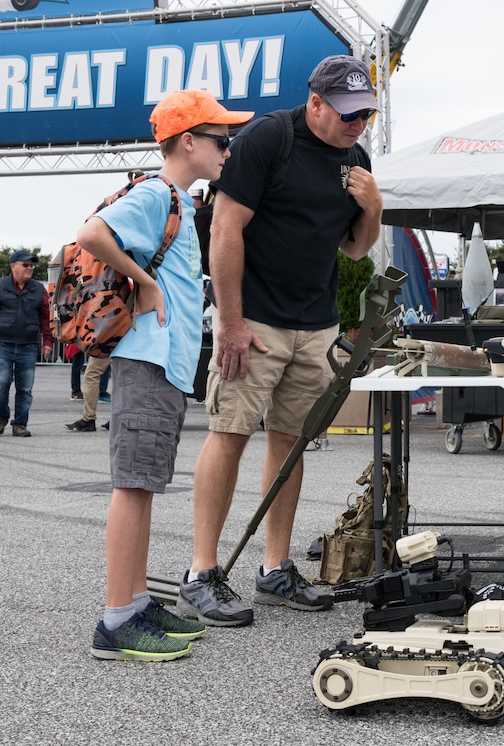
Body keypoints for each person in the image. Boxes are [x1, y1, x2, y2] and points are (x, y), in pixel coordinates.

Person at [178, 54, 383, 626]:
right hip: (255, 319)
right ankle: (200, 571)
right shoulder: (269, 139)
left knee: (291, 443)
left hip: (314, 324)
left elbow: (356, 249)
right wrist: (232, 320)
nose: (355, 123)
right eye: (346, 113)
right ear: (314, 102)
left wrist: (374, 205)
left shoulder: (357, 160)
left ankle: (274, 568)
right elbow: (225, 228)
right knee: (229, 433)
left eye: (365, 113)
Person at [79, 89, 254, 661]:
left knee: (144, 485)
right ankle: (115, 620)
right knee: (133, 487)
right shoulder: (157, 193)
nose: (228, 150)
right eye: (220, 140)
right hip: (147, 359)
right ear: (188, 142)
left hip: (162, 364)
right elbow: (92, 233)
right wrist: (146, 282)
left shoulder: (175, 199)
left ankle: (133, 601)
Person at [0, 249, 54, 437]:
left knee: (25, 388)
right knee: (2, 383)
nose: (30, 268)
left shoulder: (38, 289)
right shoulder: (0, 286)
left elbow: (46, 317)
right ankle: (1, 417)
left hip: (28, 345)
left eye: (31, 265)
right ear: (14, 267)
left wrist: (48, 341)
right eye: (25, 265)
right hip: (3, 344)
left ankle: (20, 423)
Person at [65, 356, 112, 432]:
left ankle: (89, 418)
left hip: (105, 347)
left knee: (92, 374)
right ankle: (120, 417)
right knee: (122, 376)